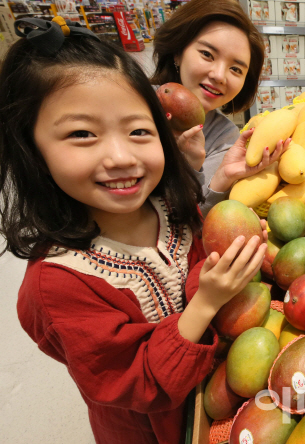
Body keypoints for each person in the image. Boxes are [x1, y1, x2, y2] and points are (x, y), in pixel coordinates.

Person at [0, 18, 266, 444]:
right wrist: (208, 301)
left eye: (138, 131)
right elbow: (136, 384)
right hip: (146, 432)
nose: (121, 156)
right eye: (82, 134)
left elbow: (194, 265)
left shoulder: (170, 209)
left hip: (205, 404)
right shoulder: (56, 285)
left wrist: (228, 263)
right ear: (30, 150)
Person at [152, 0, 289, 215]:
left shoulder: (224, 136)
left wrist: (222, 177)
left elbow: (193, 221)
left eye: (235, 69)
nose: (219, 75)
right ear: (178, 52)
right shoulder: (137, 104)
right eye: (207, 54)